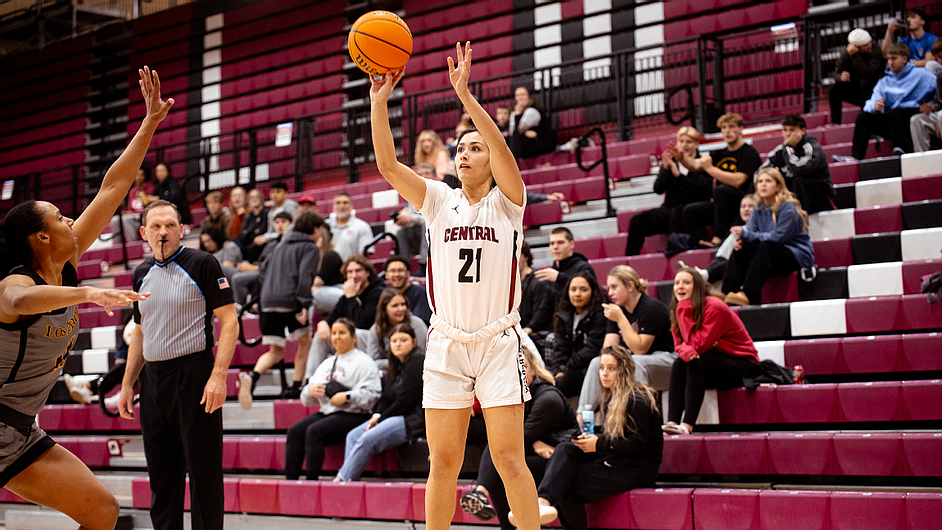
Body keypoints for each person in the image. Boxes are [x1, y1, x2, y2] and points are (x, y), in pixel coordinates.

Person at [371, 42, 548, 530]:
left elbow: (505, 149)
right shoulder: (437, 199)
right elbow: (388, 166)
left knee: (510, 459)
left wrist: (466, 97)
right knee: (442, 464)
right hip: (447, 341)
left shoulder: (509, 202)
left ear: (491, 160)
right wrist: (379, 102)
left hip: (497, 341)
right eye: (460, 148)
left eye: (476, 147)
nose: (465, 153)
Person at [0, 65, 170, 530]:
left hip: (17, 431)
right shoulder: (15, 283)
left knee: (101, 511)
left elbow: (113, 187)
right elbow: (17, 304)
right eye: (59, 216)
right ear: (40, 238)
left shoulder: (66, 259)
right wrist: (89, 293)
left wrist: (149, 122)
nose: (70, 218)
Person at [117, 198, 238, 530]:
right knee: (162, 476)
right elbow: (140, 333)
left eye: (170, 224)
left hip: (194, 374)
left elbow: (230, 322)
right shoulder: (140, 273)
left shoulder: (202, 263)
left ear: (182, 229)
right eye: (155, 226)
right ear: (143, 232)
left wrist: (218, 376)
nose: (163, 231)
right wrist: (128, 383)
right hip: (153, 382)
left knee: (204, 474)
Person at [510, 345, 662, 530]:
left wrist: (598, 444)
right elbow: (616, 439)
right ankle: (542, 501)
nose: (604, 373)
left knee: (567, 486)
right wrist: (590, 442)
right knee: (567, 447)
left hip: (638, 467)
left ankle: (543, 501)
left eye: (611, 368)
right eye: (602, 368)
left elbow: (638, 443)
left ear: (624, 371)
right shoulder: (611, 397)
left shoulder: (636, 398)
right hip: (620, 459)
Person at [461, 345, 578, 530]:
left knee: (501, 448)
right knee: (501, 460)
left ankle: (480, 492)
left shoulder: (548, 398)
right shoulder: (516, 397)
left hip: (562, 461)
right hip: (540, 455)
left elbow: (519, 438)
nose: (515, 373)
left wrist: (534, 441)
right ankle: (489, 505)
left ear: (532, 367)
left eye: (520, 366)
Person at [239, 211, 324, 407]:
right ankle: (295, 386)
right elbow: (306, 276)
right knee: (305, 340)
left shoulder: (279, 245)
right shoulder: (309, 247)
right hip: (290, 300)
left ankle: (253, 377)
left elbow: (262, 272)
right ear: (316, 228)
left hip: (267, 301)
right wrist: (304, 303)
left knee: (275, 351)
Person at [664, 268, 758, 435]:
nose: (680, 287)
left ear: (698, 287)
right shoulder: (678, 311)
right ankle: (672, 422)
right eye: (677, 283)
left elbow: (698, 345)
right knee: (680, 363)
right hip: (714, 362)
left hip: (743, 364)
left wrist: (683, 309)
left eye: (686, 283)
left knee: (695, 360)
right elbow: (678, 345)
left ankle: (687, 426)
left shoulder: (714, 306)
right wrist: (685, 350)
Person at [286, 318, 381, 480]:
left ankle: (312, 480)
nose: (337, 337)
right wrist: (311, 391)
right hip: (329, 412)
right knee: (295, 431)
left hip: (355, 414)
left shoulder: (365, 362)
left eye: (342, 333)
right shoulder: (326, 363)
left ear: (353, 337)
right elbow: (305, 399)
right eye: (334, 333)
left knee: (314, 431)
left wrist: (348, 396)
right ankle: (290, 480)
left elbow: (373, 395)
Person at [335, 322, 425, 482]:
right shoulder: (394, 364)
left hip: (412, 418)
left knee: (366, 438)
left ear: (414, 342)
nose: (398, 344)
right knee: (352, 436)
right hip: (393, 415)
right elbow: (386, 397)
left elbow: (406, 401)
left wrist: (381, 418)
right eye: (394, 341)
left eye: (403, 340)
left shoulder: (417, 362)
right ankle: (348, 479)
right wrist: (377, 414)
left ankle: (342, 480)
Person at [579, 266, 675, 413]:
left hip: (668, 362)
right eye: (609, 288)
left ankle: (640, 417)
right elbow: (608, 351)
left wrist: (621, 319)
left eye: (614, 287)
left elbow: (640, 349)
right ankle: (582, 417)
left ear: (630, 286)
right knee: (596, 363)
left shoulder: (651, 307)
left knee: (635, 361)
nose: (610, 293)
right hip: (641, 362)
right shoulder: (618, 310)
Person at [722, 168, 814, 306]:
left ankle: (748, 294)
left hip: (795, 254)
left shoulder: (788, 207)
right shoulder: (758, 208)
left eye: (768, 181)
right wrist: (742, 241)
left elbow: (779, 237)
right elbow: (751, 234)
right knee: (742, 249)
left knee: (765, 247)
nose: (763, 185)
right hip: (771, 253)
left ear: (778, 186)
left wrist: (746, 235)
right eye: (760, 181)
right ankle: (726, 292)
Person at [834, 43, 938, 162]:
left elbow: (938, 91)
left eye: (894, 58)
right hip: (892, 119)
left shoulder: (922, 74)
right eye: (888, 59)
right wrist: (875, 106)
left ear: (905, 59)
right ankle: (856, 157)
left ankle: (900, 150)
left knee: (894, 113)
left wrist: (932, 106)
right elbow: (869, 103)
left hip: (913, 114)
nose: (890, 62)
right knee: (863, 117)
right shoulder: (884, 81)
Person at [677, 113, 762, 248]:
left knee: (721, 191)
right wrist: (681, 158)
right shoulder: (719, 154)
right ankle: (696, 245)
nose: (727, 131)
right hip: (721, 206)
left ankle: (718, 238)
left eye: (731, 127)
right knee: (689, 211)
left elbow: (738, 180)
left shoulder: (749, 153)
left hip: (742, 203)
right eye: (723, 128)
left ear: (741, 129)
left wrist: (711, 169)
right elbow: (695, 165)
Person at [625, 126, 712, 255]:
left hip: (690, 211)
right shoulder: (672, 162)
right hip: (668, 209)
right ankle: (630, 259)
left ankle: (672, 250)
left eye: (688, 142)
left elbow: (701, 192)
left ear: (696, 144)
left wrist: (679, 176)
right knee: (637, 220)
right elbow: (658, 189)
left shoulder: (703, 163)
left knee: (677, 213)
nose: (684, 145)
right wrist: (665, 170)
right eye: (681, 141)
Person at [307, 254, 385, 375]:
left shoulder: (378, 292)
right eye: (350, 272)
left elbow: (362, 322)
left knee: (355, 333)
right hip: (354, 336)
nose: (354, 275)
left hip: (370, 338)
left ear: (367, 273)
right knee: (320, 336)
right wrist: (324, 323)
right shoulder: (347, 296)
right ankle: (311, 380)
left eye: (358, 271)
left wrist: (352, 298)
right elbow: (334, 315)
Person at [545, 273, 608, 399]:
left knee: (560, 385)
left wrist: (565, 369)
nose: (577, 294)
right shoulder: (564, 315)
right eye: (573, 289)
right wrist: (558, 370)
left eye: (583, 289)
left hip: (589, 368)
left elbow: (591, 350)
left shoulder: (600, 315)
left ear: (593, 291)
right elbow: (560, 348)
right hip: (568, 368)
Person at [758, 114, 836, 214]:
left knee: (798, 181)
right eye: (785, 130)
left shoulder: (810, 146)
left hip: (820, 196)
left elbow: (799, 170)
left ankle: (798, 218)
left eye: (792, 130)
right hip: (795, 196)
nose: (788, 134)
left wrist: (788, 148)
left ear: (802, 131)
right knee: (763, 184)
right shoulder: (780, 150)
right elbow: (759, 173)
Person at [690, 195, 757, 285]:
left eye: (750, 206)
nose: (746, 209)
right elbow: (721, 255)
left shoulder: (759, 230)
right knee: (720, 262)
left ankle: (702, 275)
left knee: (733, 261)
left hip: (749, 264)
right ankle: (702, 275)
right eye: (743, 206)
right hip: (729, 264)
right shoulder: (738, 229)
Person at [230, 210, 291, 308]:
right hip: (257, 267)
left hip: (268, 272)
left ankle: (241, 309)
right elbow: (261, 259)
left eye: (283, 222)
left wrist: (254, 268)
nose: (280, 225)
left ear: (291, 224)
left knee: (237, 279)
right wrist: (248, 265)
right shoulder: (271, 243)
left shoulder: (288, 243)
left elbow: (275, 264)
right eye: (277, 222)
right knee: (227, 271)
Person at [829, 28, 886, 125]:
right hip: (856, 90)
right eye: (865, 45)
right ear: (856, 47)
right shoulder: (846, 55)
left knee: (865, 83)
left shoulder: (875, 50)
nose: (869, 46)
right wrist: (840, 77)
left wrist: (855, 56)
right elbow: (836, 73)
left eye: (870, 42)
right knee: (834, 88)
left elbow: (869, 74)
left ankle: (868, 116)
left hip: (874, 89)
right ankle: (835, 122)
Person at [364, 288, 428, 362]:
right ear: (385, 309)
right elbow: (373, 361)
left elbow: (421, 356)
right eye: (395, 306)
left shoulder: (417, 325)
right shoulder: (376, 329)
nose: (401, 309)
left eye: (403, 304)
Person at [535, 227, 596, 294]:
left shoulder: (584, 267)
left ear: (571, 244)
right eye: (552, 243)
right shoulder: (551, 273)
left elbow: (588, 291)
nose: (555, 247)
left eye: (560, 242)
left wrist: (559, 277)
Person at [518, 241, 554, 354]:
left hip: (536, 331)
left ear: (526, 256)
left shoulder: (538, 280)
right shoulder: (508, 283)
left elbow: (542, 313)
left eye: (515, 254)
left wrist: (527, 329)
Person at [507, 86, 556, 159]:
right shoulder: (514, 113)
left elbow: (518, 130)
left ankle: (513, 164)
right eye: (517, 95)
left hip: (543, 142)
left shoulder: (532, 111)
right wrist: (525, 132)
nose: (520, 98)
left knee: (516, 138)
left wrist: (518, 115)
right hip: (530, 143)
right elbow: (511, 132)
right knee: (506, 139)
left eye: (523, 95)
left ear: (529, 97)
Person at [383, 256, 432, 324]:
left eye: (400, 270)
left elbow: (419, 322)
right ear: (386, 275)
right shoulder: (384, 294)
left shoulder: (420, 292)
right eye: (393, 271)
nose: (397, 274)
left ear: (408, 274)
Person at [110, 164, 153, 242]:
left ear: (145, 176)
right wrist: (127, 212)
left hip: (143, 216)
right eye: (137, 175)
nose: (138, 178)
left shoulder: (150, 187)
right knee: (115, 219)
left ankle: (132, 244)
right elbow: (130, 208)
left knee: (126, 219)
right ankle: (118, 245)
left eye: (141, 175)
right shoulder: (132, 191)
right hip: (133, 216)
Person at [327, 193, 374, 260]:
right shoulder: (325, 225)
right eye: (338, 203)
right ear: (333, 207)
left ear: (352, 206)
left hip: (351, 268)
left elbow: (364, 254)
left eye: (345, 203)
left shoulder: (362, 226)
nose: (341, 206)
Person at [910, 54, 942, 152]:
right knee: (916, 120)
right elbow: (939, 103)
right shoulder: (941, 77)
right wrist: (931, 107)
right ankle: (922, 162)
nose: (940, 61)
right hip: (940, 115)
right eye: (938, 58)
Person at [310, 225, 345, 314]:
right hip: (329, 292)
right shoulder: (313, 258)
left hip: (341, 291)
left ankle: (304, 325)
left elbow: (318, 281)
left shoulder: (330, 255)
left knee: (310, 295)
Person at [234, 188, 269, 263]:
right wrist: (253, 231)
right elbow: (242, 233)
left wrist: (250, 232)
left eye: (256, 197)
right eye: (251, 197)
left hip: (259, 243)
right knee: (235, 240)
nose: (254, 199)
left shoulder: (266, 213)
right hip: (247, 242)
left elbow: (262, 231)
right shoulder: (249, 215)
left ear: (261, 198)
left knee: (253, 247)